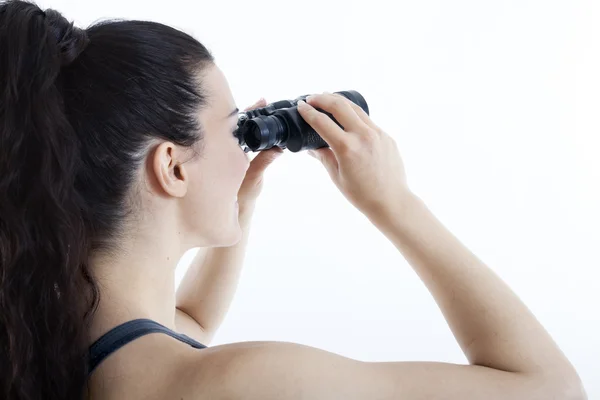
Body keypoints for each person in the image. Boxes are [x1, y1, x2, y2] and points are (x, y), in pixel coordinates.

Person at [0, 1, 586, 399]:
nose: (245, 141)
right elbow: (547, 388)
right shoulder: (255, 382)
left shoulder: (45, 340)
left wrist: (238, 197)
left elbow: (190, 323)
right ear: (171, 166)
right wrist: (394, 203)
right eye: (235, 126)